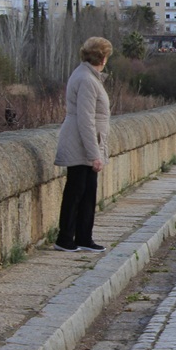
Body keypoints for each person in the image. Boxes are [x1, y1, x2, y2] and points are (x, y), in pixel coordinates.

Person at [53, 36, 113, 253]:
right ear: (102, 57)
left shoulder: (86, 75)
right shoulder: (87, 80)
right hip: (81, 143)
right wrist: (94, 154)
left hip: (84, 142)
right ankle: (66, 238)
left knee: (86, 192)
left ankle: (83, 237)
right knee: (77, 191)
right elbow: (85, 119)